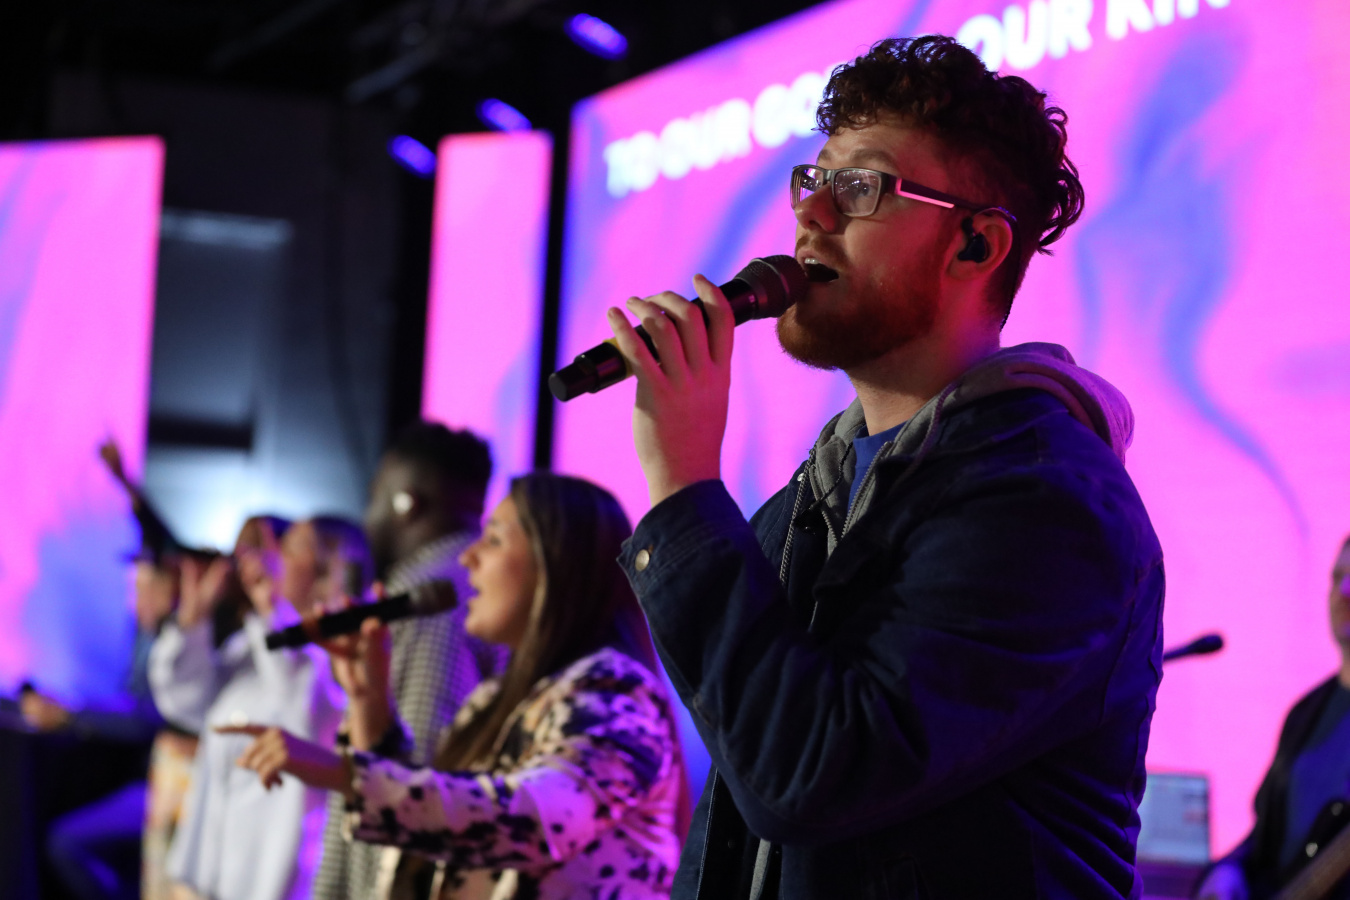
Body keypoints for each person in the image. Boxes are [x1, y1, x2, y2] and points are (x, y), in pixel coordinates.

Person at [602, 35, 1165, 899]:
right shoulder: (810, 497)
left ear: (975, 246)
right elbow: (738, 814)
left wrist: (682, 487)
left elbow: (814, 777)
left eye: (861, 186)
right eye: (813, 180)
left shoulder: (1048, 500)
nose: (812, 213)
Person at [224, 473, 687, 899]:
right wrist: (369, 702)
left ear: (557, 565)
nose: (468, 557)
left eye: (494, 539)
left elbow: (531, 820)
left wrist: (341, 771)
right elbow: (426, 828)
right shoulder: (494, 700)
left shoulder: (616, 695)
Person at [313, 421, 501, 900]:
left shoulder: (427, 597)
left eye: (376, 496)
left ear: (406, 503)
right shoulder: (464, 587)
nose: (368, 514)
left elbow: (412, 772)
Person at [148, 516, 361, 900]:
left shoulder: (336, 658)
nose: (271, 557)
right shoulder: (251, 649)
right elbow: (183, 703)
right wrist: (194, 618)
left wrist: (272, 604)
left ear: (328, 573)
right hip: (212, 879)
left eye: (290, 548)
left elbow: (303, 708)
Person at [1193, 539, 1350, 900]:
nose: (1344, 591)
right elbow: (1266, 836)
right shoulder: (1306, 712)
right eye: (1337, 577)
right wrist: (1228, 869)